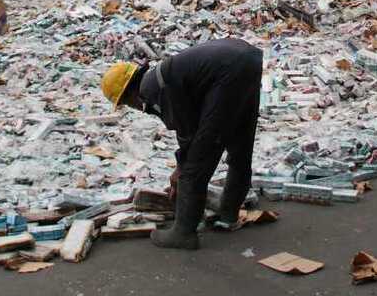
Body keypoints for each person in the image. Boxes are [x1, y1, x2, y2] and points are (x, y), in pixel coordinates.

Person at [101, 38, 263, 250]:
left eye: (124, 103)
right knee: (240, 141)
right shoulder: (160, 77)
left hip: (228, 70)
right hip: (247, 59)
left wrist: (180, 169)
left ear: (128, 93)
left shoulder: (153, 89)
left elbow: (188, 134)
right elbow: (192, 120)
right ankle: (228, 214)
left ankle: (183, 232)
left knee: (195, 162)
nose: (130, 107)